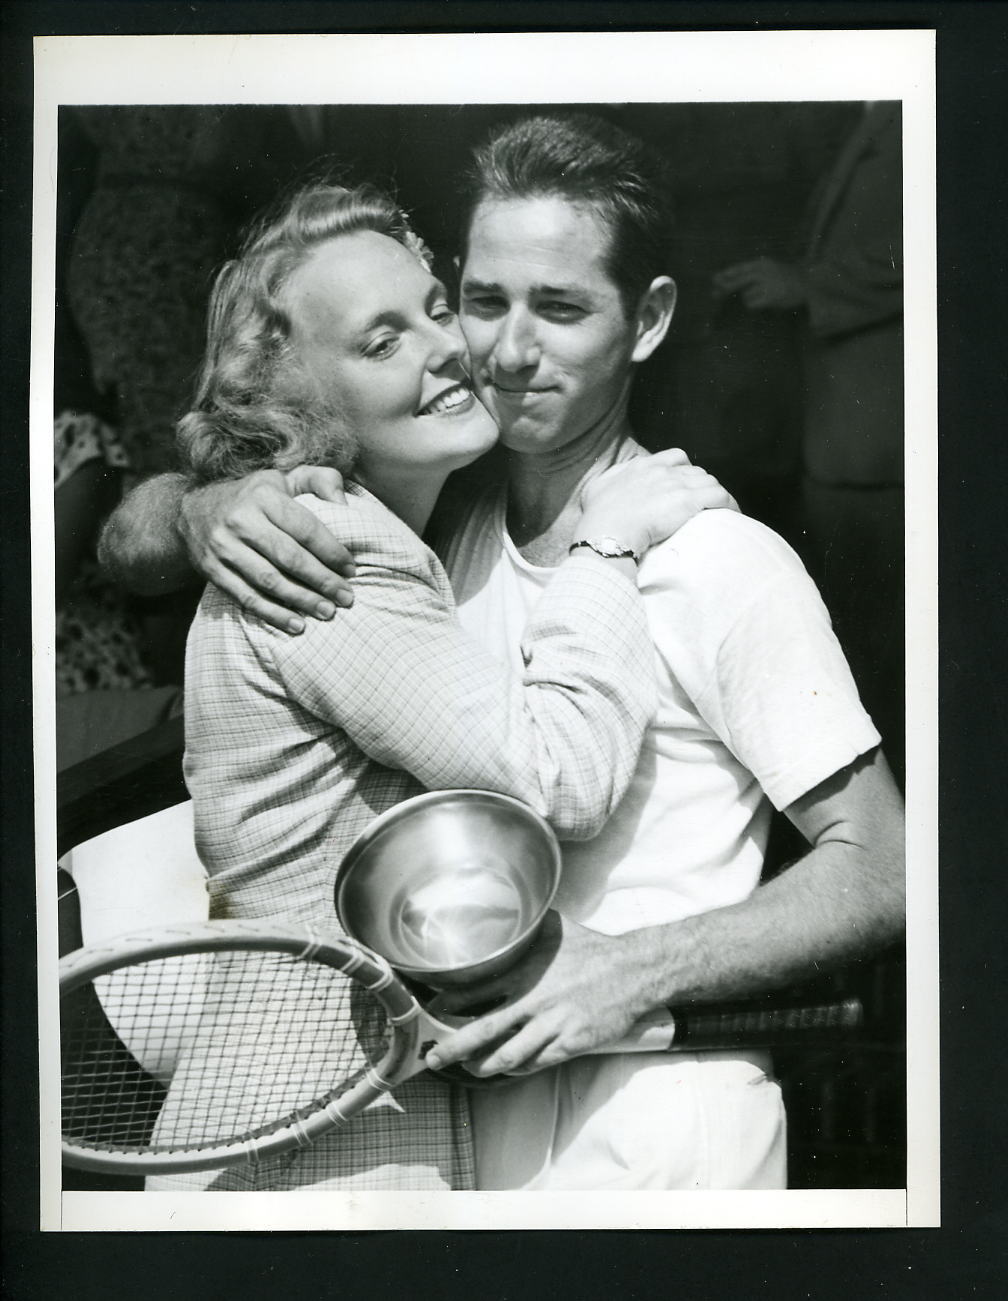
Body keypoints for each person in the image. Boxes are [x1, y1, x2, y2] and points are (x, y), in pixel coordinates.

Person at [100, 114, 905, 1192]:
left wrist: (630, 970)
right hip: (444, 1138)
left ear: (650, 320)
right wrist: (205, 501)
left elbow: (889, 867)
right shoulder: (424, 520)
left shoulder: (716, 556)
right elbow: (137, 542)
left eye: (562, 307)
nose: (506, 351)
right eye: (481, 301)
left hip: (655, 1128)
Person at [138, 180, 732, 1193]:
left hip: (337, 1119)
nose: (447, 346)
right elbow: (558, 780)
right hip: (305, 1144)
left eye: (435, 306)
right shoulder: (340, 554)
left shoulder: (408, 518)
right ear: (296, 405)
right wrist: (607, 540)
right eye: (381, 342)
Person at [712, 102, 905, 776]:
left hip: (880, 448)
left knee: (883, 651)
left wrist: (806, 282)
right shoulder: (876, 111)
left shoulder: (924, 96)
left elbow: (947, 239)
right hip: (841, 439)